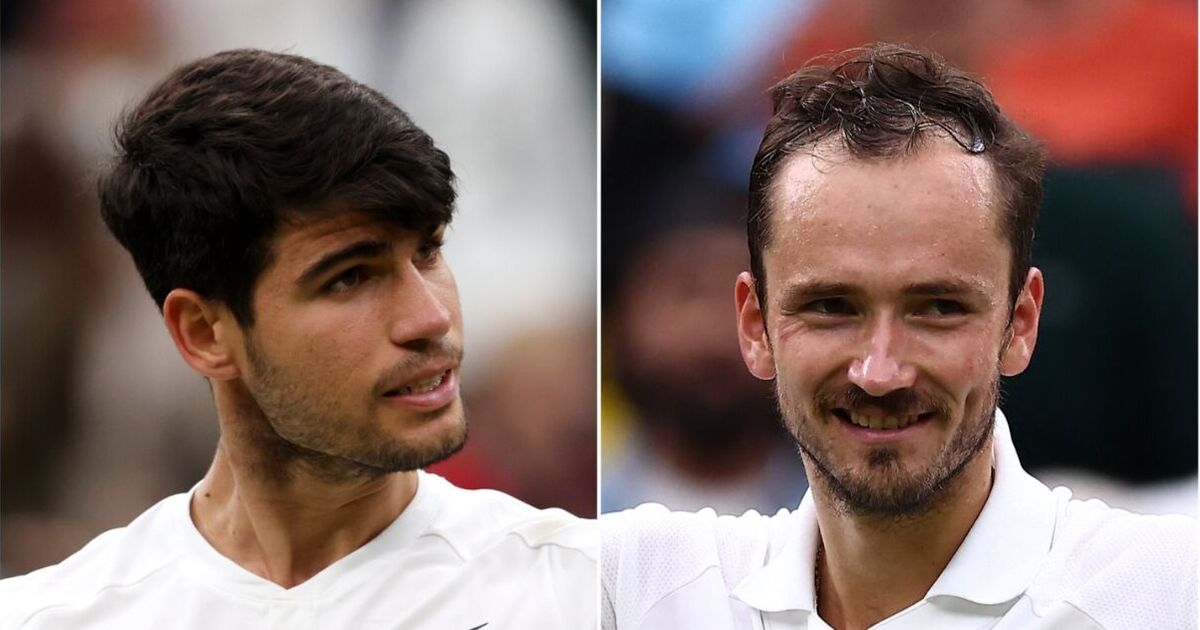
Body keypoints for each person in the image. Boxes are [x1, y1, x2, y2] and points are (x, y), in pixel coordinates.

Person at [601, 43, 1196, 630]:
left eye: (937, 308)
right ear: (754, 326)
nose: (880, 371)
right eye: (832, 306)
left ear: (1020, 324)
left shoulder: (1168, 593)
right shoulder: (627, 585)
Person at [0, 49, 596, 629]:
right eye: (350, 277)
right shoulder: (45, 617)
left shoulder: (605, 587)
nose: (431, 318)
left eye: (429, 251)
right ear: (205, 333)